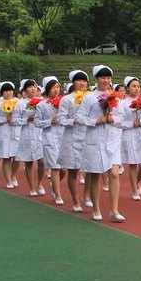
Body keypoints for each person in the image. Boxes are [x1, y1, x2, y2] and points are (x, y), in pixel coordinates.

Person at [76, 65, 126, 222]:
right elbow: (80, 117)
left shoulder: (116, 97)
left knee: (114, 173)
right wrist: (96, 121)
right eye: (103, 77)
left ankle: (114, 210)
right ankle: (96, 209)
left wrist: (113, 119)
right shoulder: (89, 98)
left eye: (108, 78)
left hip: (112, 139)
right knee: (96, 175)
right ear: (96, 79)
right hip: (95, 138)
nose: (106, 80)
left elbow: (122, 118)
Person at [58, 70, 91, 212]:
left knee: (90, 168)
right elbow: (61, 119)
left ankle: (86, 196)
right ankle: (75, 201)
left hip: (88, 136)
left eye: (84, 81)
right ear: (73, 82)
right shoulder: (66, 100)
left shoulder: (91, 98)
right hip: (72, 137)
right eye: (79, 80)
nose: (82, 83)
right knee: (73, 170)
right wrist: (75, 120)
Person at [34, 77, 66, 205]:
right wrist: (49, 122)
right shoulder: (42, 105)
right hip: (49, 137)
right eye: (53, 87)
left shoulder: (64, 102)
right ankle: (57, 195)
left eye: (57, 87)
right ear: (47, 89)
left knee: (63, 169)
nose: (56, 90)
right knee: (54, 167)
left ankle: (54, 183)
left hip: (62, 136)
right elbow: (37, 122)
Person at [117, 76, 141, 201]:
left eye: (138, 86)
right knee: (133, 164)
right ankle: (134, 190)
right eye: (133, 86)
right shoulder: (123, 104)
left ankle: (137, 181)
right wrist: (131, 124)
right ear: (127, 88)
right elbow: (119, 122)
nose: (136, 89)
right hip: (129, 135)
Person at [13, 79, 44, 195]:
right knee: (29, 162)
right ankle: (32, 187)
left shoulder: (42, 101)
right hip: (27, 133)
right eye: (30, 87)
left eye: (34, 87)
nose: (33, 89)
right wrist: (26, 120)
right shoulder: (21, 103)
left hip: (40, 132)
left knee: (42, 161)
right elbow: (15, 120)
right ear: (25, 90)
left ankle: (39, 183)